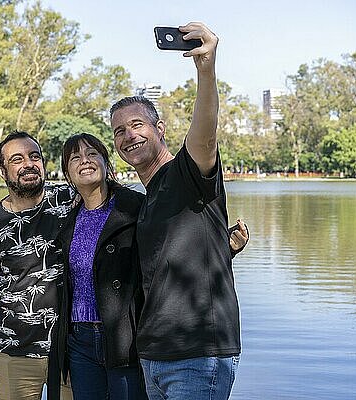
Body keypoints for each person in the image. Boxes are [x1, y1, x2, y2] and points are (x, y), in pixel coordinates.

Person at [109, 22, 243, 399]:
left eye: (137, 125)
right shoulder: (146, 196)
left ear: (160, 129)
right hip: (155, 354)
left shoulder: (187, 172)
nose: (129, 135)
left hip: (198, 354)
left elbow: (206, 131)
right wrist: (223, 249)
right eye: (119, 131)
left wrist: (206, 68)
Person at [0, 131, 73, 400]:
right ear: (3, 171)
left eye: (35, 157)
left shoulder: (70, 200)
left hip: (71, 347)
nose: (29, 164)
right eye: (17, 159)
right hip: (15, 350)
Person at [55, 133, 148, 400]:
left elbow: (166, 253)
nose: (85, 161)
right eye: (75, 158)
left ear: (107, 164)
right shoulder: (68, 220)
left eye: (92, 154)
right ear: (67, 173)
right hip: (80, 341)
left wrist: (225, 249)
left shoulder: (134, 208)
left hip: (123, 337)